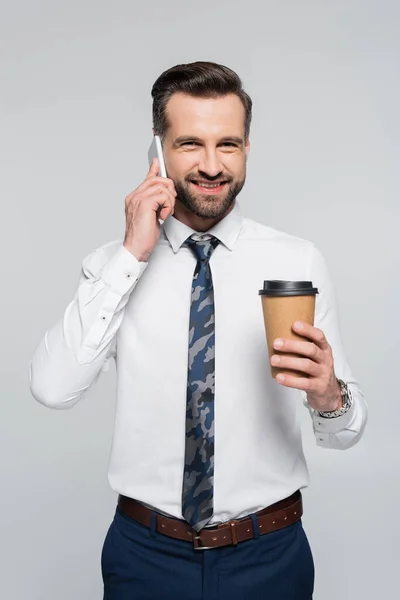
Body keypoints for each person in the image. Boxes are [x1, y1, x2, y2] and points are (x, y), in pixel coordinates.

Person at [30, 61, 368, 600]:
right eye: (191, 144)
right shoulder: (113, 267)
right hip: (145, 557)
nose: (212, 166)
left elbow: (346, 431)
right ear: (158, 151)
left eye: (228, 145)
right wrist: (132, 254)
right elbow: (52, 388)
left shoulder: (296, 261)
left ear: (247, 149)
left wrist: (329, 395)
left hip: (270, 556)